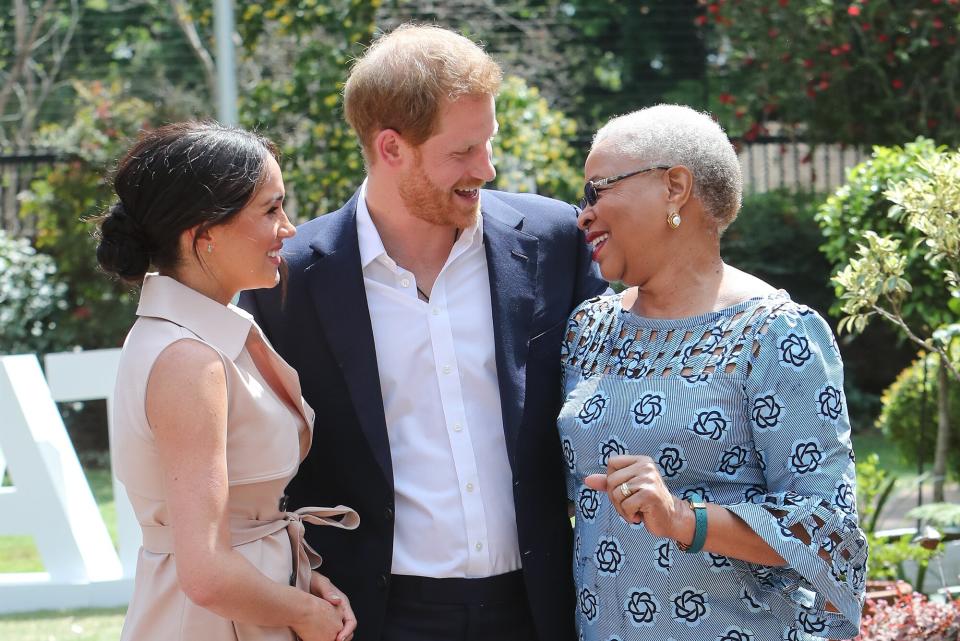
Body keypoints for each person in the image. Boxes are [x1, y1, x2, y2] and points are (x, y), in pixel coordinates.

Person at [239, 24, 606, 641]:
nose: (485, 168)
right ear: (391, 148)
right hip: (371, 615)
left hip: (539, 606)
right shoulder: (288, 278)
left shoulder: (554, 240)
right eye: (463, 152)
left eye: (488, 143)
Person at [559, 105, 867, 640]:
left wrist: (683, 518)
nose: (582, 214)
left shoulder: (775, 334)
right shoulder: (589, 329)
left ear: (675, 186)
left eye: (598, 190)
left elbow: (827, 532)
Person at [98, 122, 359, 641]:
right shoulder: (187, 358)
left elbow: (234, 533)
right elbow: (208, 572)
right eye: (270, 209)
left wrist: (300, 584)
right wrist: (306, 615)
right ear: (204, 234)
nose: (289, 228)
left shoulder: (202, 335)